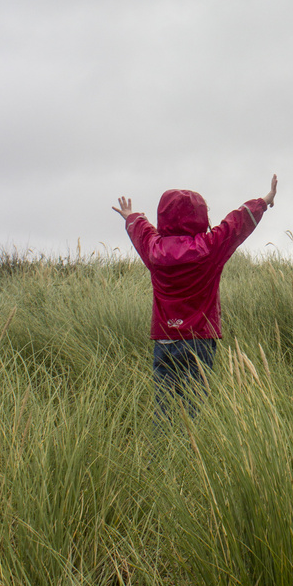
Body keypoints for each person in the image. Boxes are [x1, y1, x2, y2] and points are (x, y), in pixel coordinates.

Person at [113, 175, 277, 416]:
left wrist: (131, 216)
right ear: (201, 217)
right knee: (195, 409)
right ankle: (192, 453)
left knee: (164, 410)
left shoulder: (154, 250)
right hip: (199, 339)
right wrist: (264, 200)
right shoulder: (210, 247)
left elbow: (142, 231)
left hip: (165, 339)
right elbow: (236, 223)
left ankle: (163, 453)